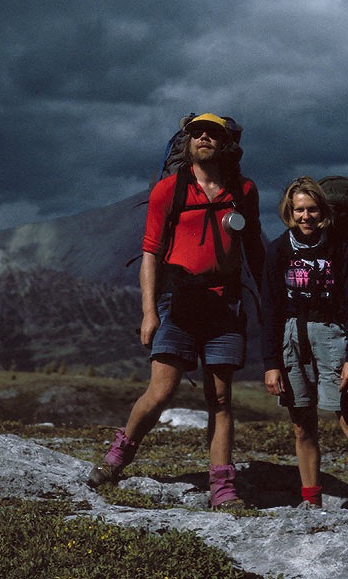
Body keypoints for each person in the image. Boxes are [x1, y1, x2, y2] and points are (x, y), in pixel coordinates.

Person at [87, 113, 265, 510]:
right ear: (187, 142)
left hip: (225, 303)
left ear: (226, 145)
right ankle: (118, 456)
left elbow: (253, 248)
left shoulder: (244, 191)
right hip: (179, 303)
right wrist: (149, 312)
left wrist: (269, 301)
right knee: (161, 390)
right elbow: (150, 252)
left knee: (220, 399)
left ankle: (222, 486)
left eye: (212, 134)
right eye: (196, 133)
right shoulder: (169, 190)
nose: (203, 138)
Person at [260, 176, 348, 533]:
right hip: (292, 340)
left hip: (333, 338)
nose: (305, 216)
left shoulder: (341, 250)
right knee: (301, 425)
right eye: (299, 210)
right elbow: (270, 310)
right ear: (289, 214)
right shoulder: (278, 251)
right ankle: (311, 503)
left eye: (311, 209)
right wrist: (270, 363)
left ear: (322, 212)